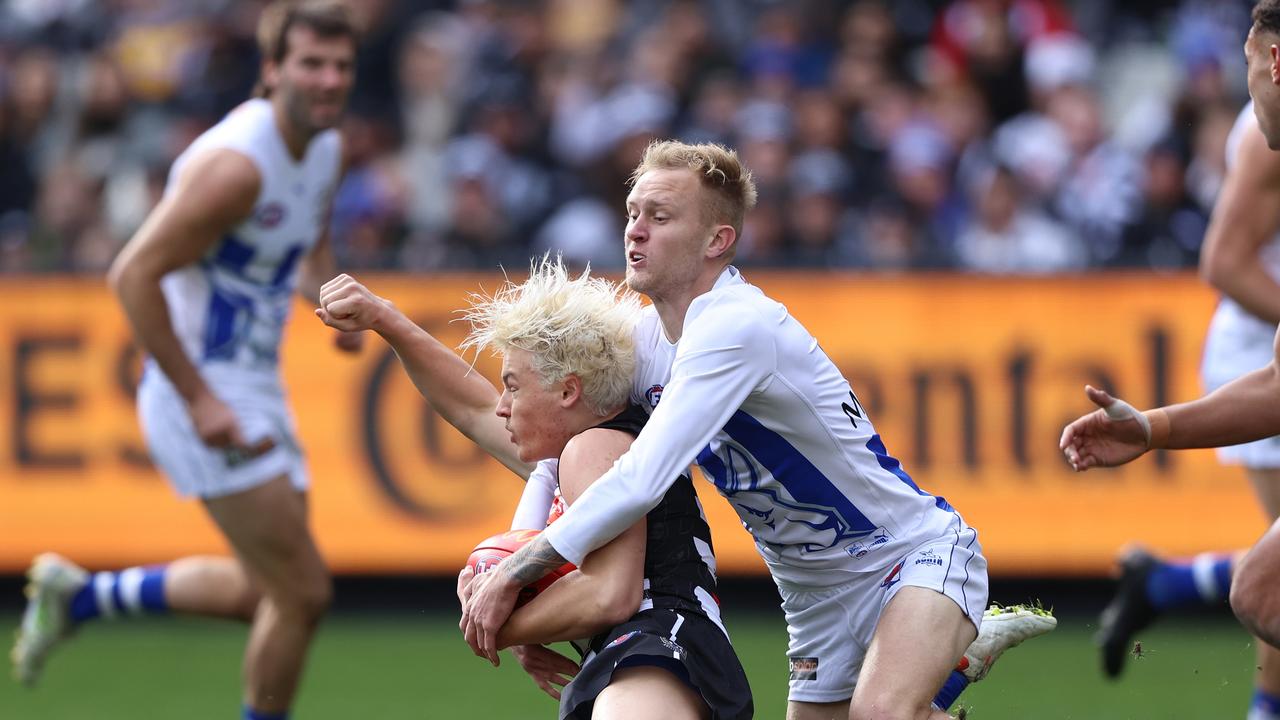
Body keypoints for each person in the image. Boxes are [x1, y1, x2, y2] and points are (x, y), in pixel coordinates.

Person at [408, 139, 1057, 720]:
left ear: (717, 240)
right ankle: (954, 669)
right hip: (814, 598)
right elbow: (536, 422)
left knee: (881, 714)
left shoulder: (736, 326)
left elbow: (638, 480)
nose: (636, 232)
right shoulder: (642, 341)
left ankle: (942, 658)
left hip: (908, 554)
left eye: (660, 218)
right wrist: (391, 323)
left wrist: (515, 574)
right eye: (633, 213)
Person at [10, 4, 362, 719]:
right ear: (272, 71)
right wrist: (200, 399)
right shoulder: (234, 167)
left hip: (254, 384)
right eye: (311, 64)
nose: (329, 80)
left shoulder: (325, 148)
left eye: (341, 66)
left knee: (266, 591)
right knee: (303, 594)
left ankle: (80, 597)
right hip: (199, 390)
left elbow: (306, 248)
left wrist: (330, 300)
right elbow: (131, 275)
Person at [1061, 0, 1280, 681]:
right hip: (1254, 352)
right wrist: (1151, 429)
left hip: (1253, 344)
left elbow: (1221, 262)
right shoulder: (1262, 140)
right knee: (1263, 588)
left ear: (1272, 60)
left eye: (1245, 66)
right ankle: (1160, 587)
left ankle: (1160, 587)